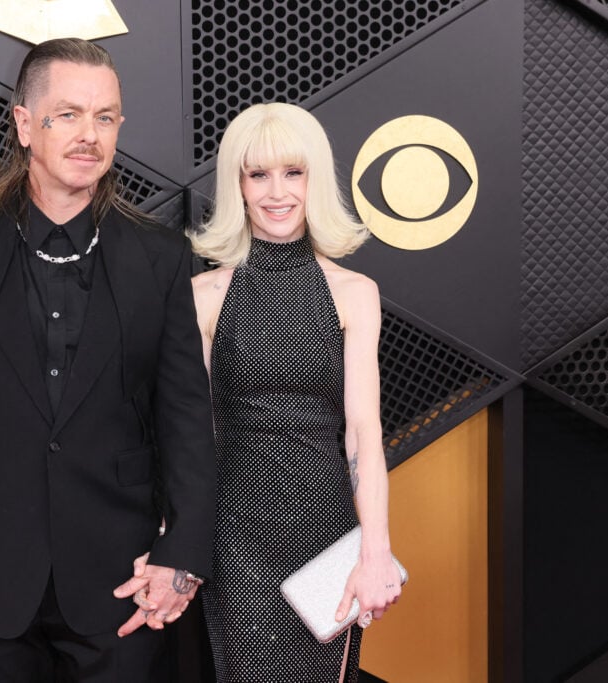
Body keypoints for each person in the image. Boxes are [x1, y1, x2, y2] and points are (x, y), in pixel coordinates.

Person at [0, 37, 216, 682]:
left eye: (106, 117)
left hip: (123, 575)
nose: (89, 134)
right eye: (67, 114)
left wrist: (184, 552)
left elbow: (183, 410)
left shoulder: (159, 255)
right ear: (25, 123)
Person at [189, 102, 402, 682]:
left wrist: (376, 551)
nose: (276, 192)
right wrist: (176, 539)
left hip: (329, 530)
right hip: (235, 536)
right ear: (237, 185)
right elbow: (191, 436)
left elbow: (363, 433)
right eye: (257, 174)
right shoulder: (204, 295)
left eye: (293, 172)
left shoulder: (356, 293)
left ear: (316, 179)